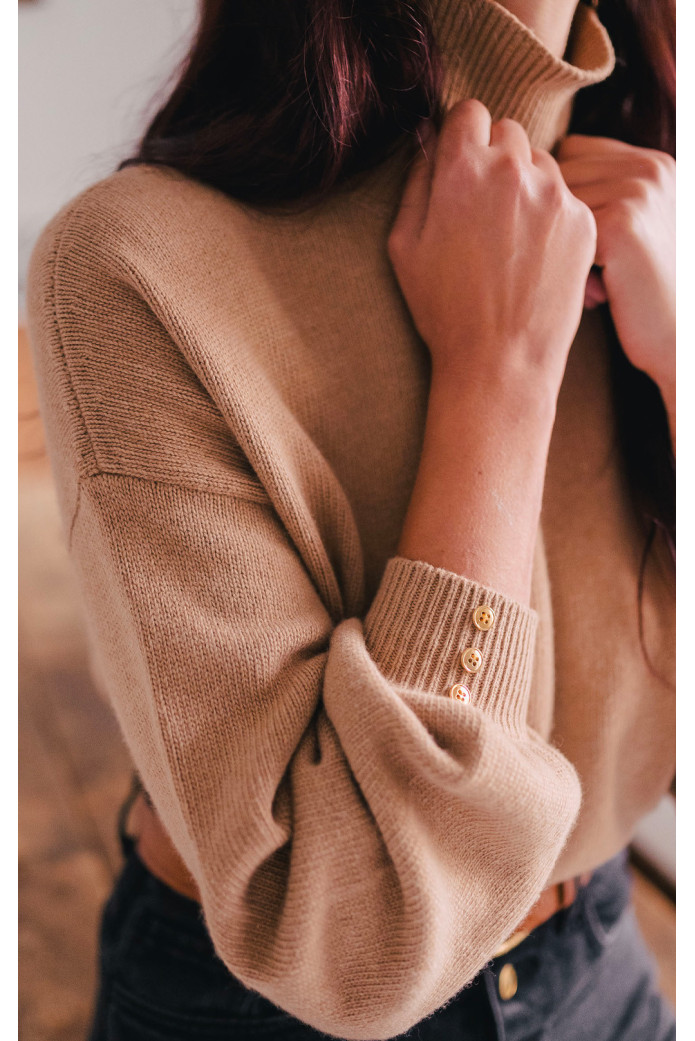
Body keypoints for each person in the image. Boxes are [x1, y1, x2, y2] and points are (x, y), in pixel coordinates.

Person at [26, 0, 676, 1038]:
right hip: (259, 1010)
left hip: (594, 956)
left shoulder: (653, 216)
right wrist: (495, 380)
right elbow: (356, 944)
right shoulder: (131, 265)